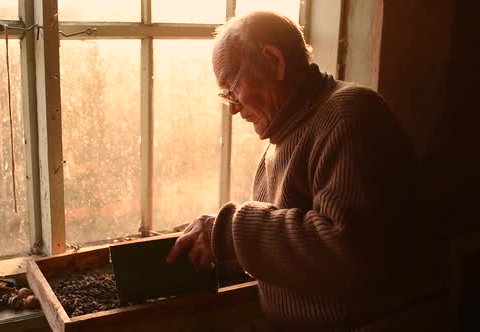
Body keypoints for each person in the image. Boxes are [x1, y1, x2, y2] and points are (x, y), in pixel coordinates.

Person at [166, 11, 447, 331]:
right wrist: (218, 249)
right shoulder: (286, 133)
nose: (232, 106)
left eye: (232, 86)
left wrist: (231, 232)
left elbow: (345, 249)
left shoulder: (349, 116)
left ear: (274, 61)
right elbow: (290, 252)